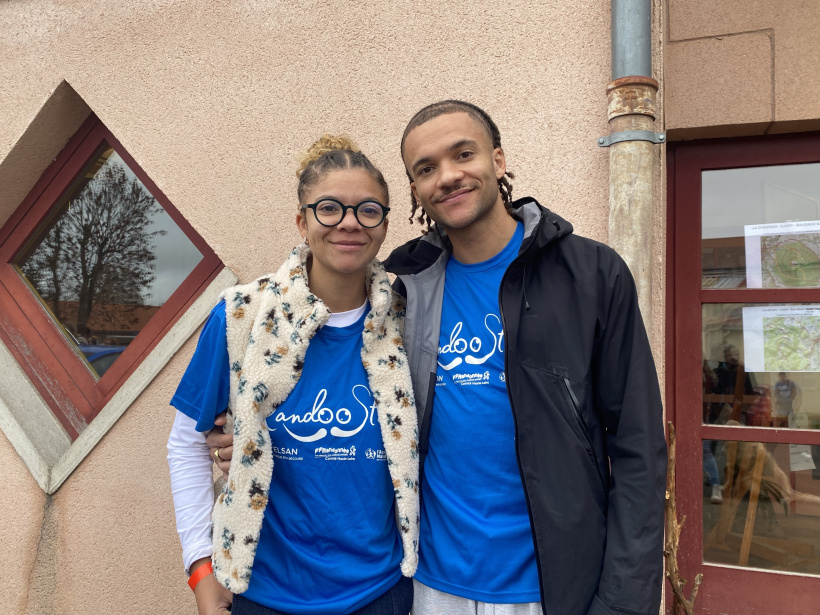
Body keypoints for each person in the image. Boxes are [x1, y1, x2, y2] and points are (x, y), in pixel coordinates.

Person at [208, 101, 667, 615]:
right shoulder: (405, 290)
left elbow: (638, 447)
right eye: (426, 169)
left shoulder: (591, 275)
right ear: (415, 190)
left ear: (498, 160)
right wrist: (247, 437)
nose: (447, 176)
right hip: (429, 585)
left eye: (463, 154)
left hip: (555, 586)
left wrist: (624, 601)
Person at [167, 135, 420, 615]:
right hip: (263, 595)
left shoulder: (408, 321)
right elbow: (186, 444)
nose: (349, 222)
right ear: (302, 221)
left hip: (380, 594)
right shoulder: (241, 316)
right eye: (329, 208)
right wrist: (199, 566)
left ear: (385, 226)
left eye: (368, 210)